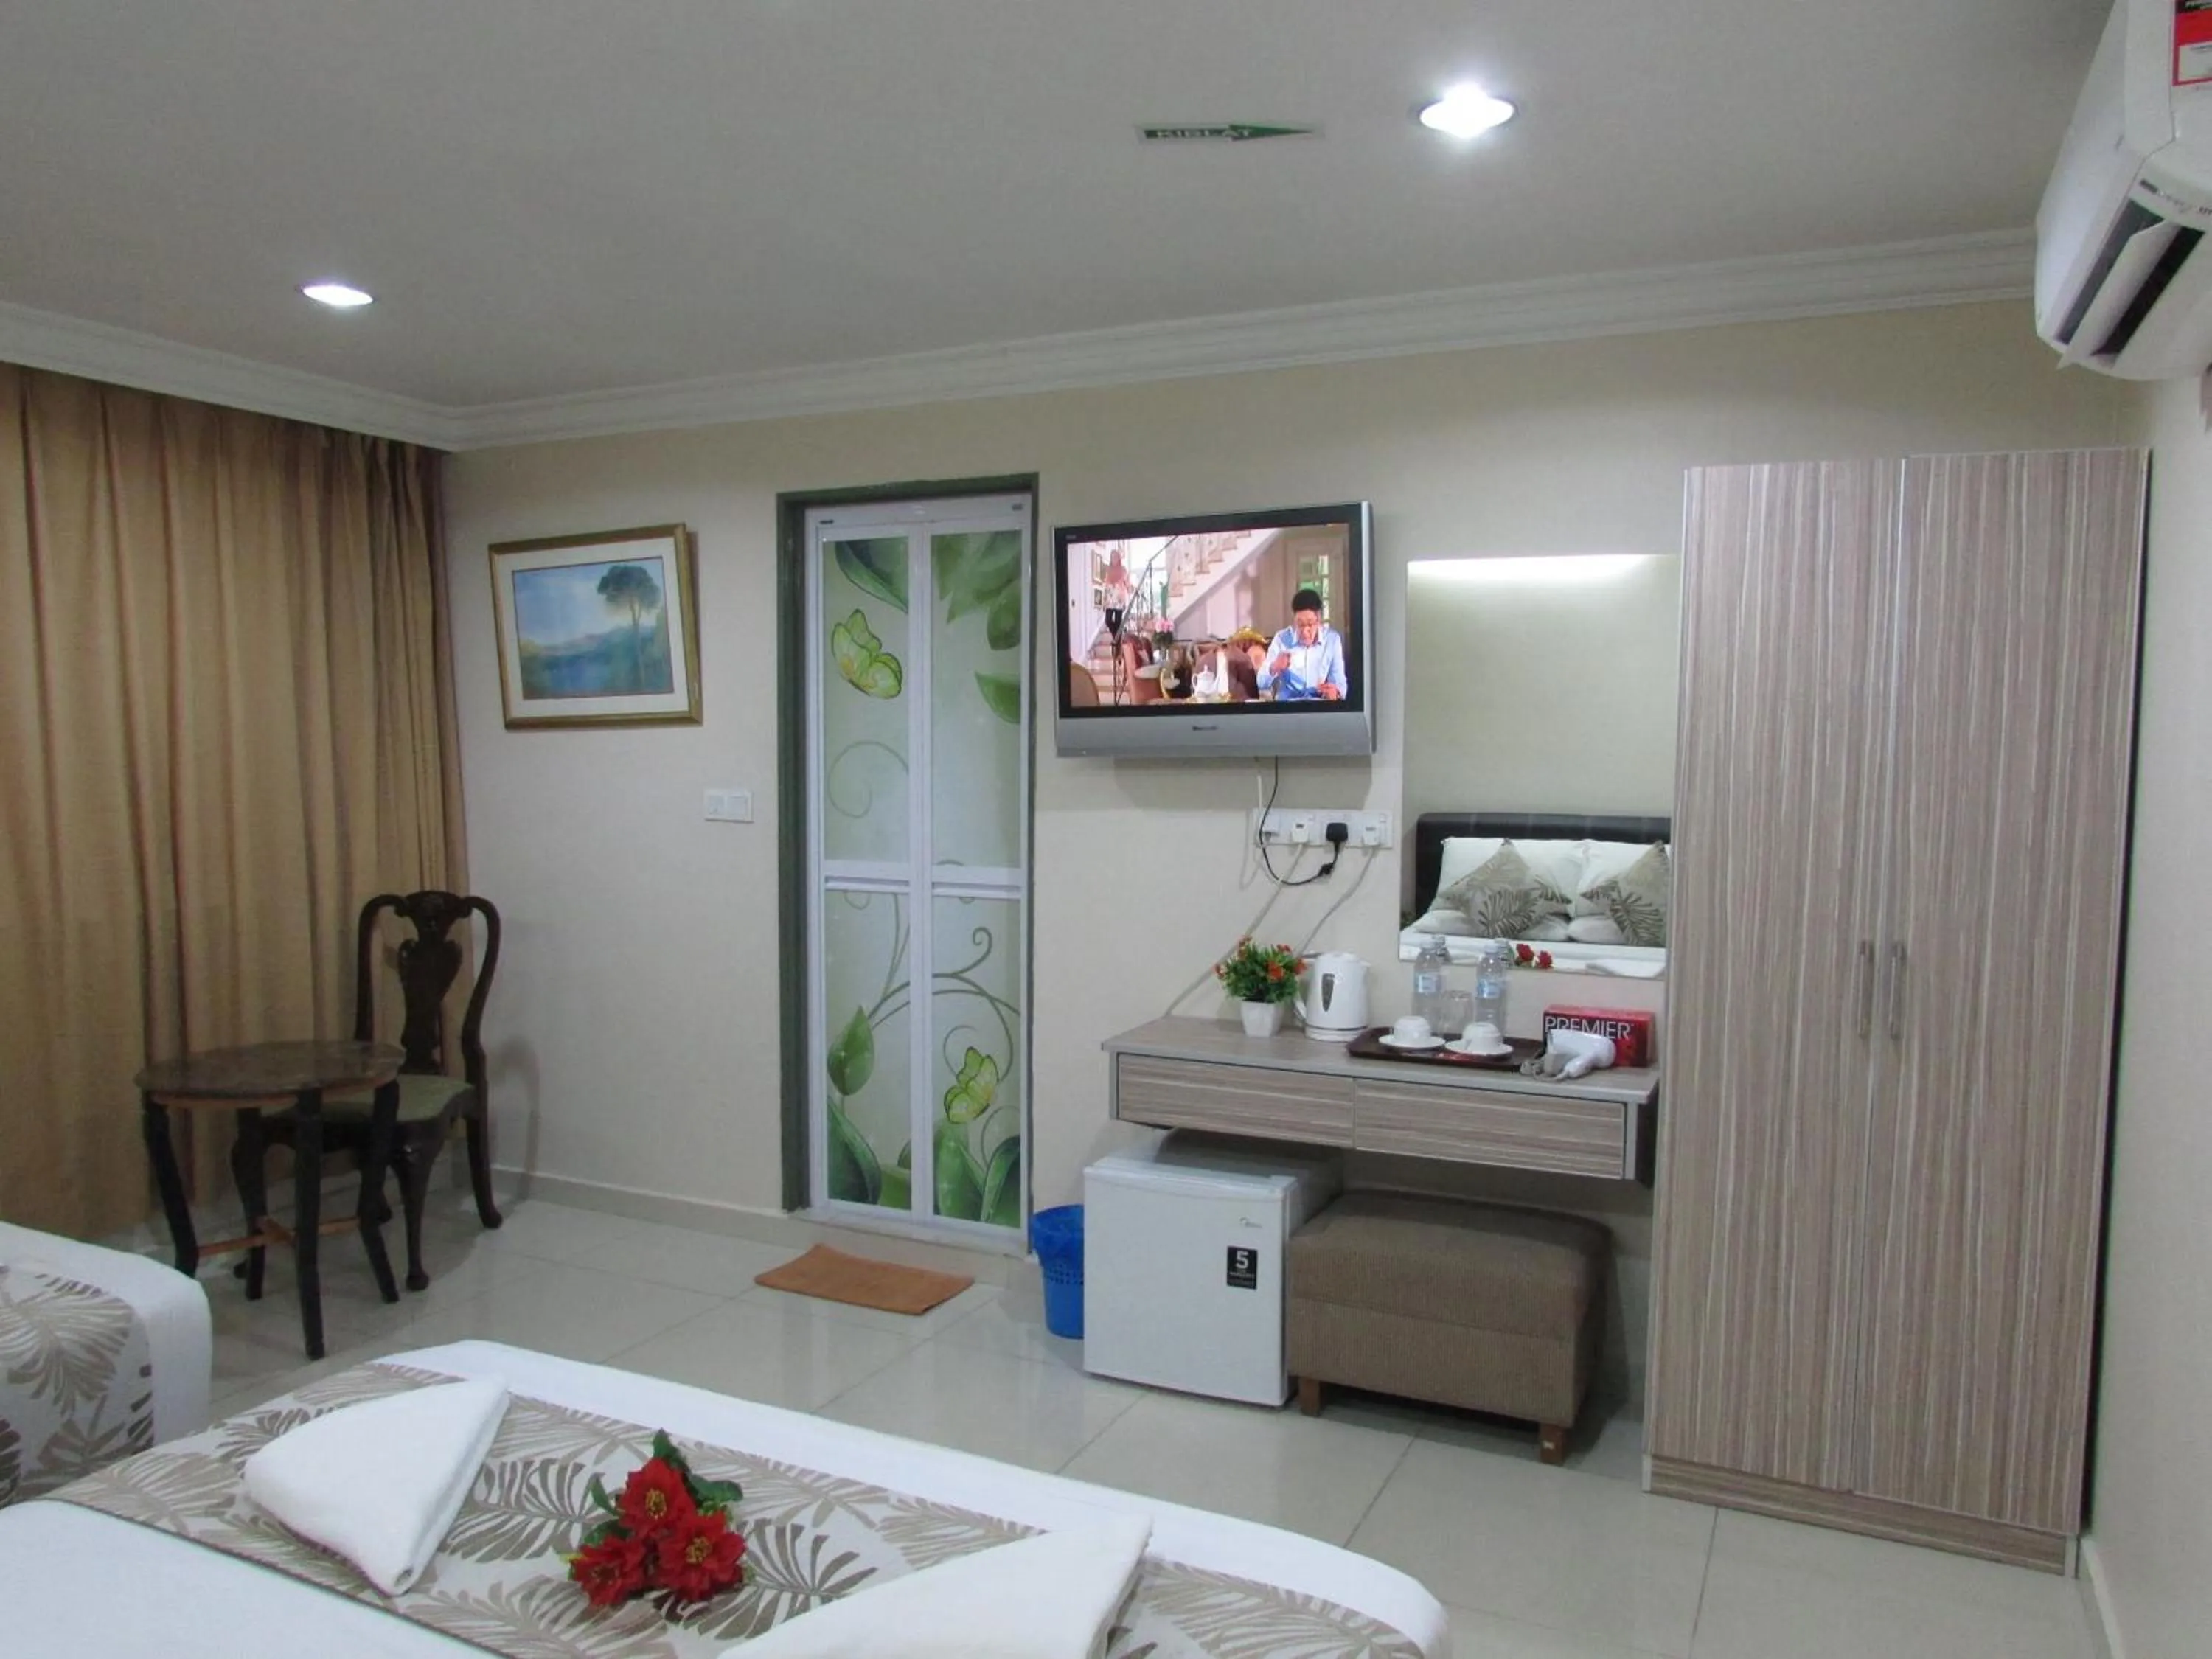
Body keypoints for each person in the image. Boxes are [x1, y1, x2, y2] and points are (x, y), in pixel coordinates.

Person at [1256, 588, 1347, 701]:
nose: (1305, 632)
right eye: (1300, 625)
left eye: (1310, 624)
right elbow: (1261, 682)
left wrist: (1336, 692)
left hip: (1319, 706)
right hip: (1289, 708)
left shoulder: (1332, 640)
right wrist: (1274, 667)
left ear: (1318, 620)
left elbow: (1340, 682)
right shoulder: (1281, 639)